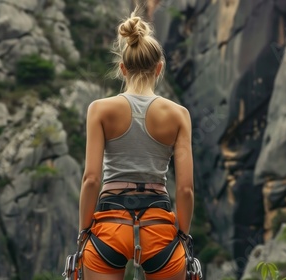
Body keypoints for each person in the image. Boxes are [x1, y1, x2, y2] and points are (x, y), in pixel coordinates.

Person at [78, 7, 194, 280]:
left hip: (109, 227)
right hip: (159, 228)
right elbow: (186, 189)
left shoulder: (99, 110)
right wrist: (184, 237)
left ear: (122, 68)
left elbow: (91, 179)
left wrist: (84, 232)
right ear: (159, 68)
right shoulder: (179, 115)